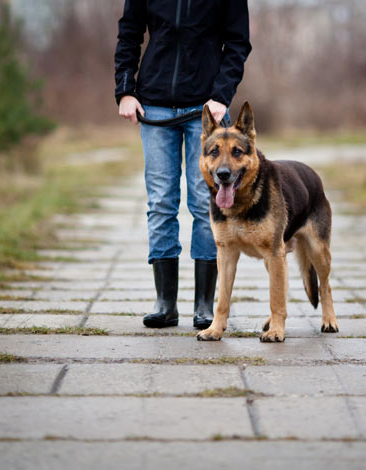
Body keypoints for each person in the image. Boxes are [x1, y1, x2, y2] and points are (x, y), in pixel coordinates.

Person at [115, 0, 251, 329]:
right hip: (154, 106)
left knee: (206, 202)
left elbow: (237, 43)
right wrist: (124, 91)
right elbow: (129, 34)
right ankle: (165, 304)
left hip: (205, 110)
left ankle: (206, 305)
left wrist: (221, 96)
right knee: (161, 201)